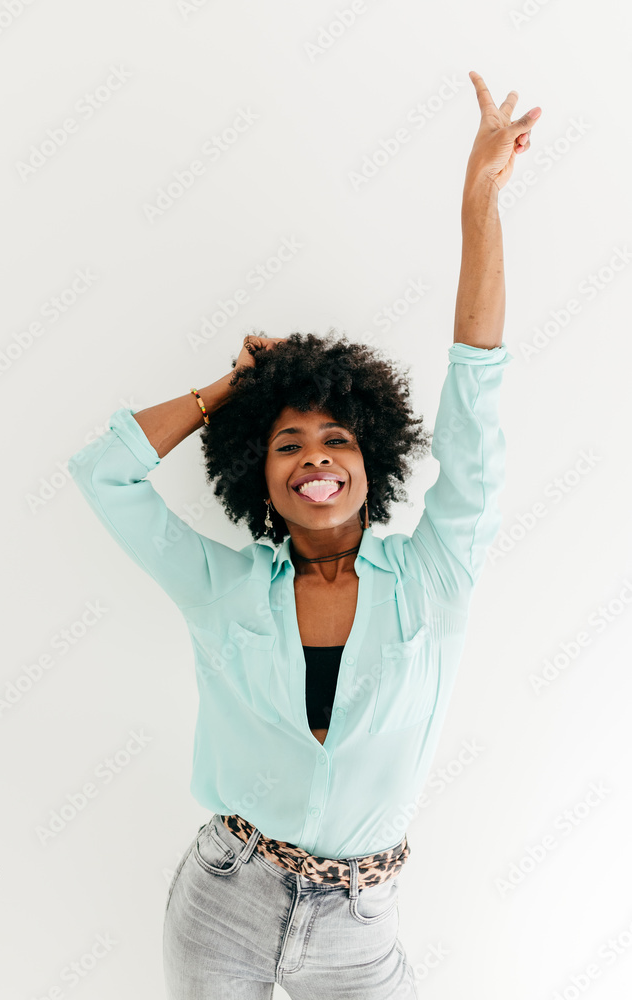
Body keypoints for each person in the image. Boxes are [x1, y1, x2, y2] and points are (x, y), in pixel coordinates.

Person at [67, 71, 541, 999]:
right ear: (260, 474)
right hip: (222, 899)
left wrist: (479, 206)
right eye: (287, 443)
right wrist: (225, 391)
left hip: (362, 927)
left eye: (336, 438)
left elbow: (476, 394)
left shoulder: (434, 576)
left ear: (372, 460)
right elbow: (103, 473)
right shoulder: (223, 586)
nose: (315, 456)